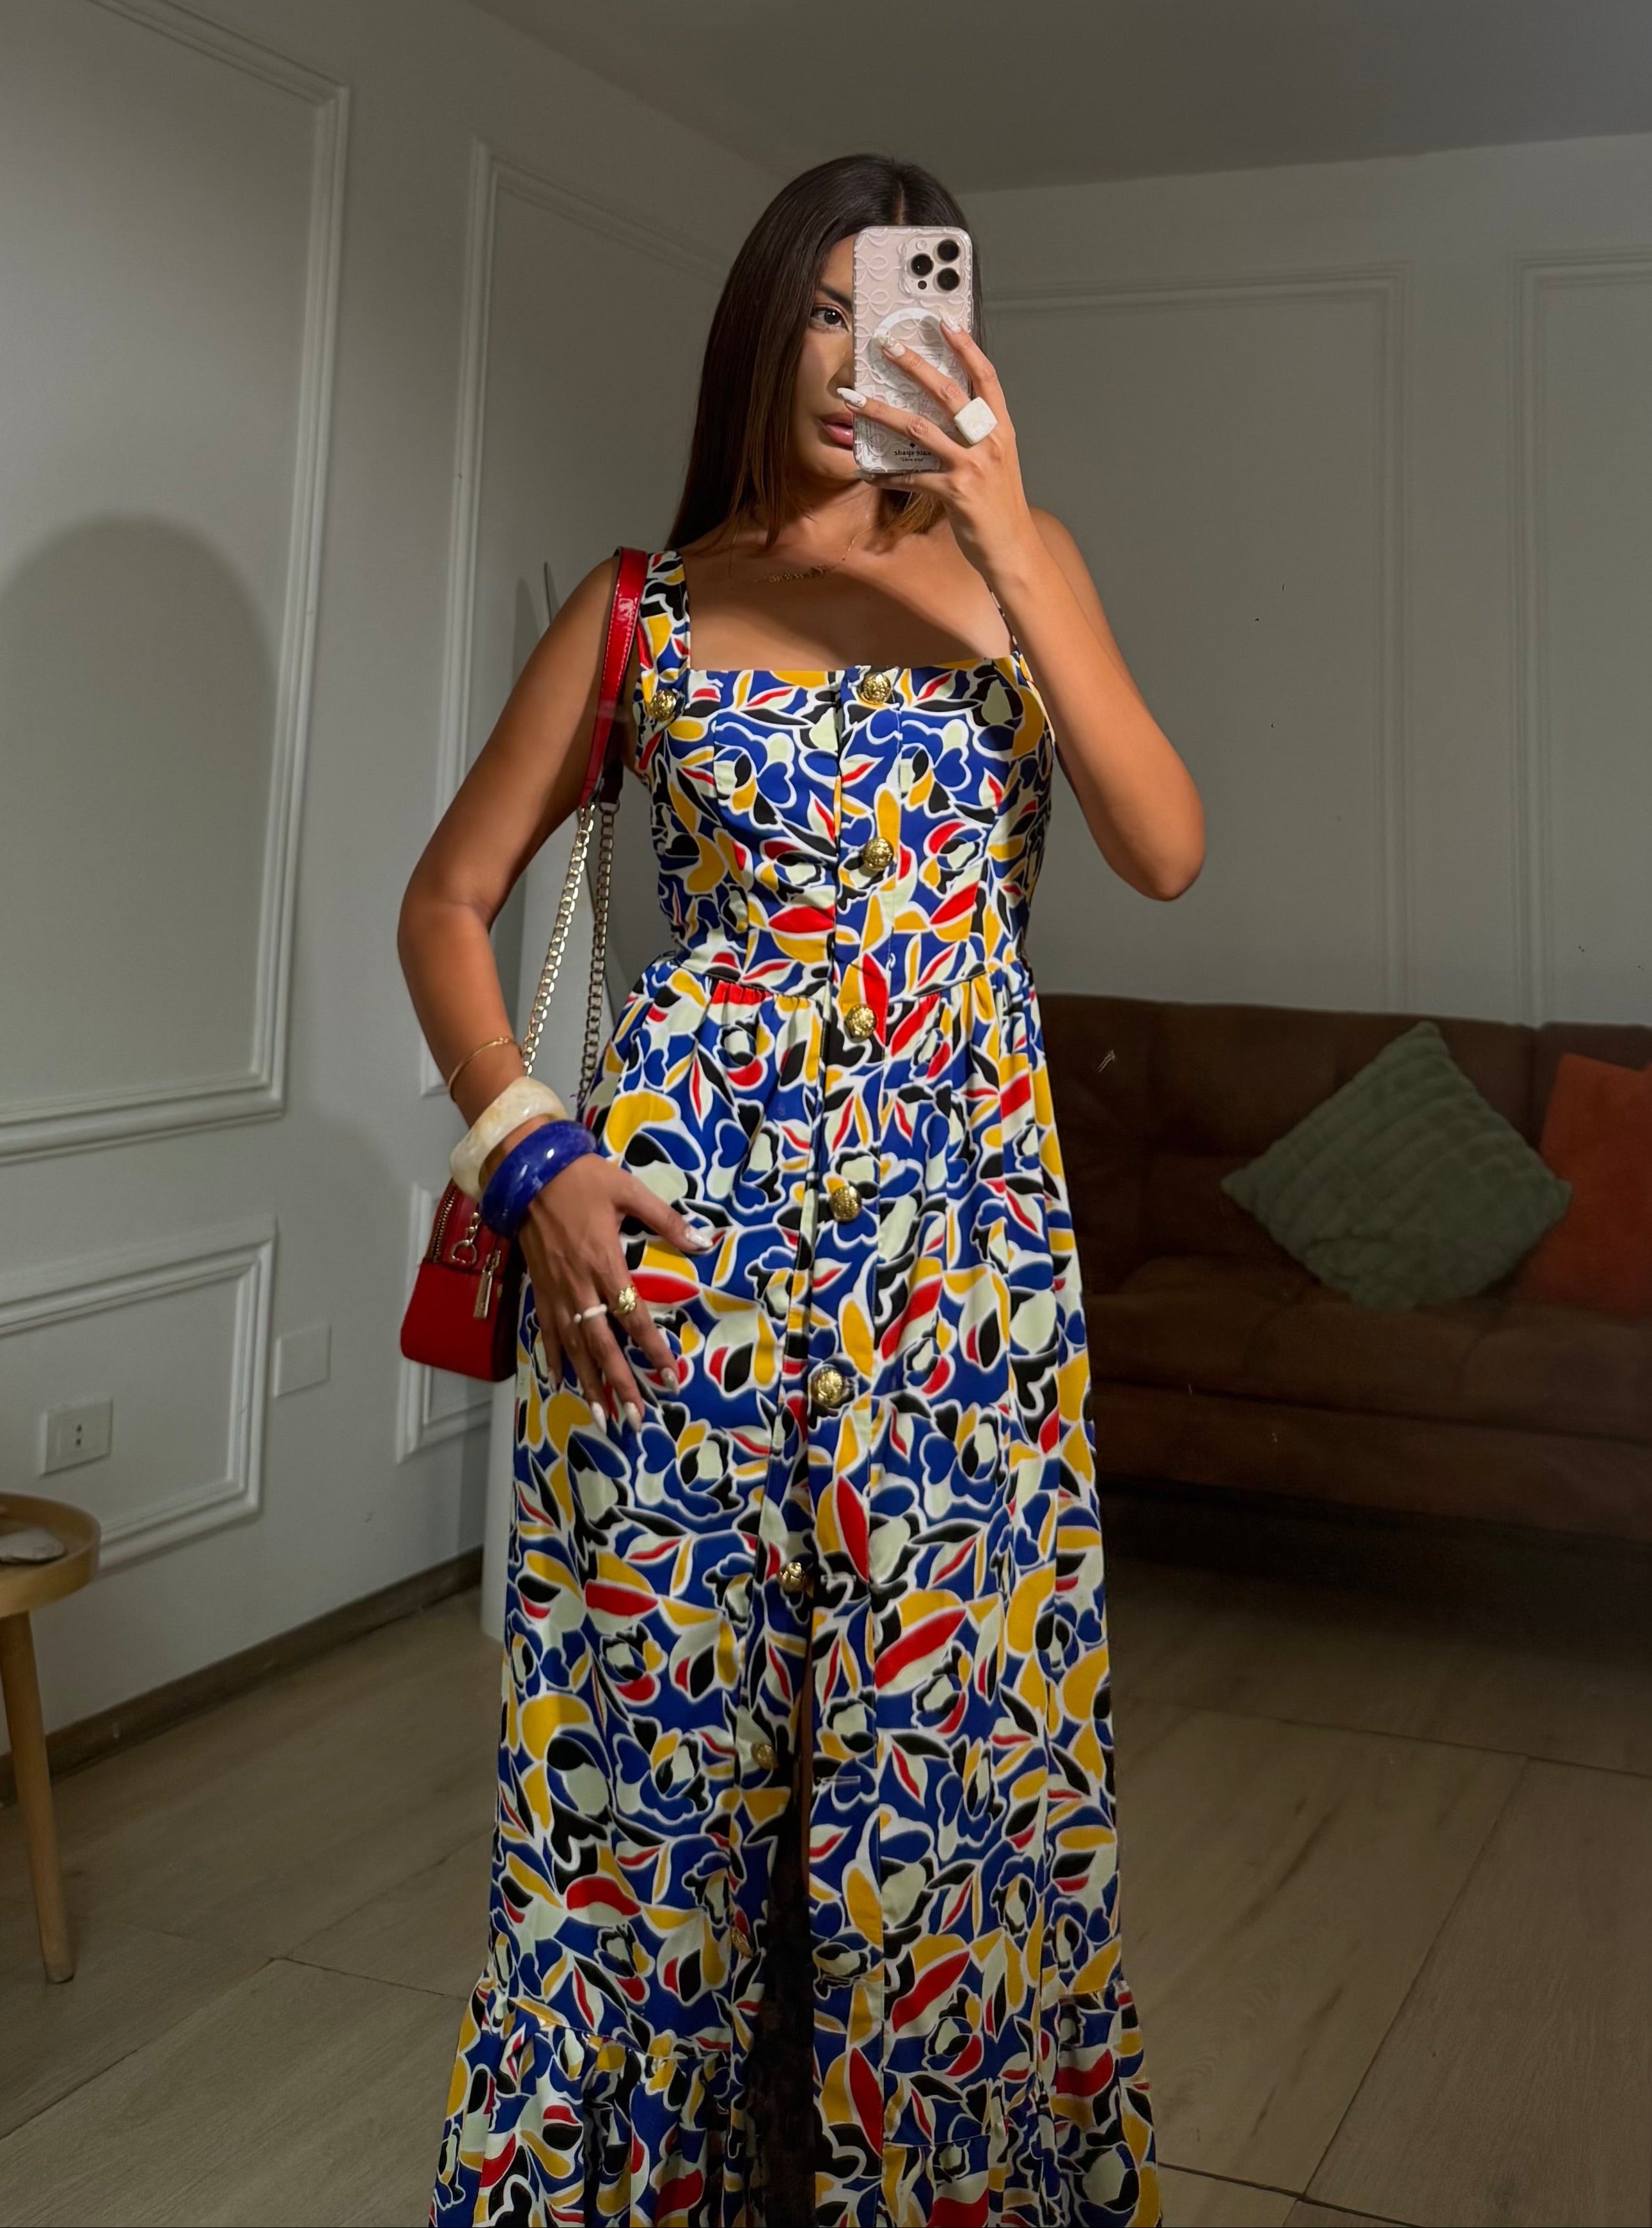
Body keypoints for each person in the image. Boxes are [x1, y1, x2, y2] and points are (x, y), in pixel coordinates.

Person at [400, 150, 1202, 2228]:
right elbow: (449, 901)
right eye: (823, 315)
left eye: (899, 311)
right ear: (764, 334)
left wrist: (1006, 533)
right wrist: (530, 1151)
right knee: (647, 1830)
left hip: (962, 1293)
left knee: (950, 1806)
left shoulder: (1017, 566)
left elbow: (1164, 844)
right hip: (673, 1288)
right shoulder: (646, 606)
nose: (859, 361)